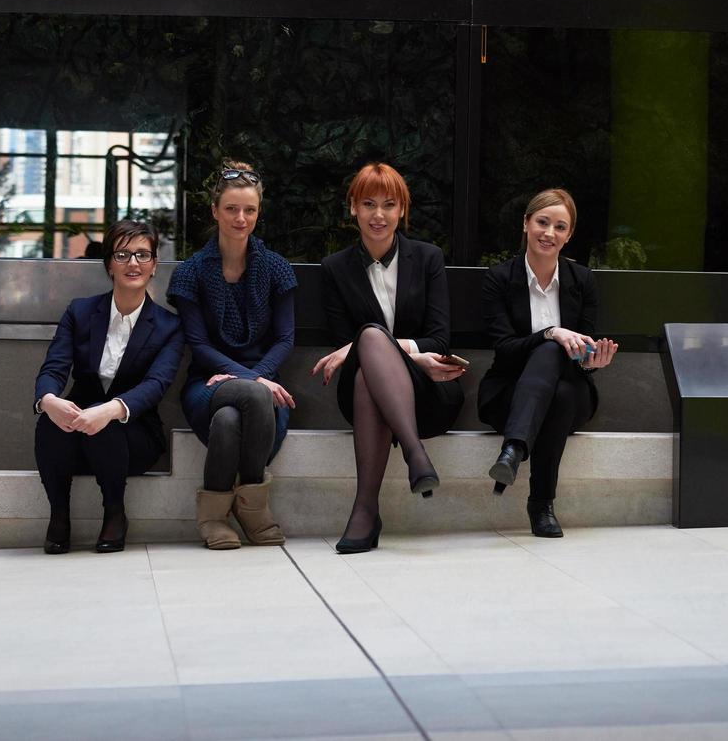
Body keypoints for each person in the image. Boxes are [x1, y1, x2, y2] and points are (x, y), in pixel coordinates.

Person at [312, 163, 466, 553]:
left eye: (388, 205)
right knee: (366, 361)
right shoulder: (334, 269)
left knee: (367, 343)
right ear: (352, 209)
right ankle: (415, 456)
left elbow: (440, 338)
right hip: (365, 393)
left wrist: (375, 346)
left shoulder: (428, 258)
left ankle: (365, 511)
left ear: (402, 211)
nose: (378, 215)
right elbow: (342, 343)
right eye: (368, 204)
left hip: (429, 391)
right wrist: (401, 351)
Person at [167, 161, 297, 549]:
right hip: (207, 383)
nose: (241, 219)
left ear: (259, 212)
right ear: (215, 211)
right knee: (244, 398)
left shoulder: (276, 269)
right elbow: (199, 345)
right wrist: (252, 380)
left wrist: (253, 377)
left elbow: (284, 339)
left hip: (264, 384)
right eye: (231, 209)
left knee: (229, 420)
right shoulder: (191, 273)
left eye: (250, 210)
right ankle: (254, 509)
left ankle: (215, 516)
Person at [33, 220, 184, 554]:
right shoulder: (80, 312)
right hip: (77, 428)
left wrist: (110, 410)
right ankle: (59, 514)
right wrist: (48, 400)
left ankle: (115, 512)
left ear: (155, 265)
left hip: (135, 434)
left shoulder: (169, 326)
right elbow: (54, 368)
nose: (133, 263)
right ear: (109, 265)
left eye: (143, 255)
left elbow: (156, 384)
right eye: (123, 254)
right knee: (50, 420)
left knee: (107, 423)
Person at [478, 188, 618, 537]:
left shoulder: (582, 281)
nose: (549, 233)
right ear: (526, 224)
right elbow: (505, 348)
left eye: (560, 227)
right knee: (555, 365)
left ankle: (514, 449)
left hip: (571, 389)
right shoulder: (499, 279)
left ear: (568, 236)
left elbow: (582, 349)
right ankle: (541, 505)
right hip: (508, 394)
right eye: (542, 222)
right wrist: (550, 333)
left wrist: (592, 361)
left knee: (564, 381)